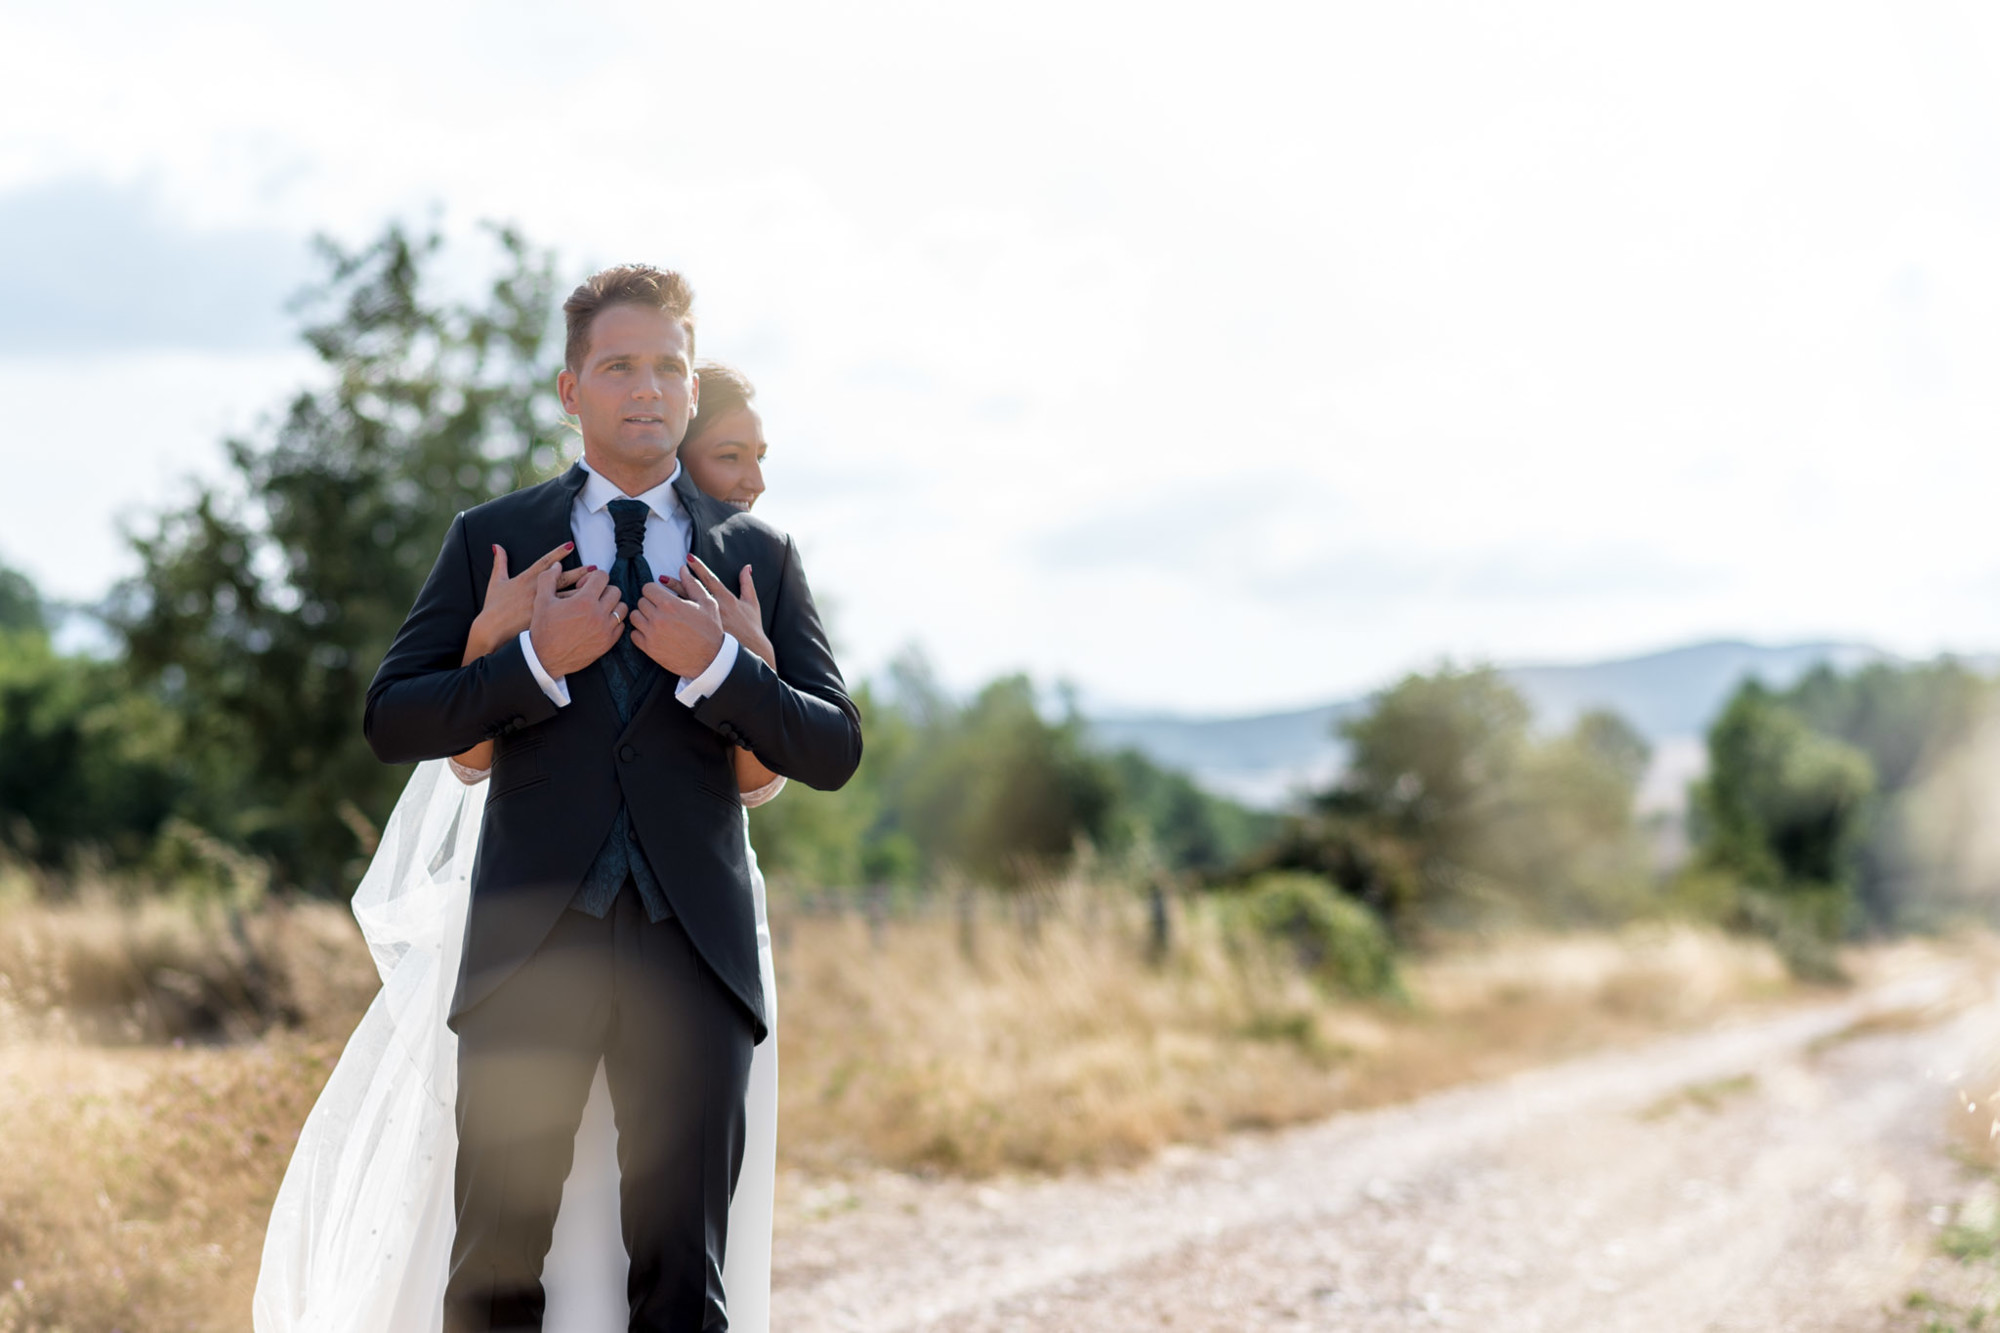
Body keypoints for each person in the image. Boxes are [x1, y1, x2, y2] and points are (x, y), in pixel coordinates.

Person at [257, 263, 857, 1332]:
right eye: (618, 365)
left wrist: (723, 668)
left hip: (694, 958)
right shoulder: (494, 535)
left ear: (686, 386)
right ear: (569, 390)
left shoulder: (755, 554)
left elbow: (834, 746)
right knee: (493, 1271)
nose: (648, 388)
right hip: (529, 947)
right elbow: (396, 717)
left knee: (682, 1280)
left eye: (667, 366)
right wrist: (530, 657)